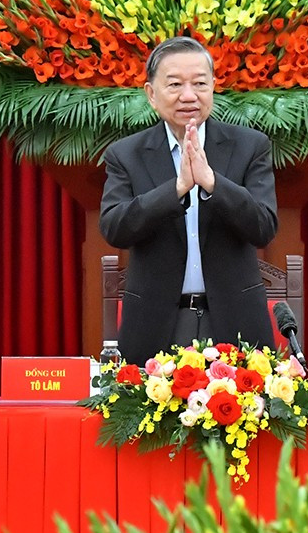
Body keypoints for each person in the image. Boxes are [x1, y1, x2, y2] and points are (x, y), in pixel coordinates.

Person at [99, 36, 279, 365]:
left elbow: (264, 227)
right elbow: (115, 228)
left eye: (199, 83)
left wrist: (212, 182)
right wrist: (177, 188)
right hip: (155, 326)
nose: (188, 96)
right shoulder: (126, 154)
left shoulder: (250, 146)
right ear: (151, 94)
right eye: (175, 84)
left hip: (235, 323)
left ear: (213, 87)